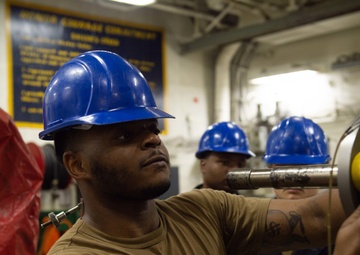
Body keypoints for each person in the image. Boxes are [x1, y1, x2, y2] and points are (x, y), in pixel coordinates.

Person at [40, 50, 347, 255]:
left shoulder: (205, 212)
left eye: (153, 128)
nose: (152, 140)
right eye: (125, 134)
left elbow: (318, 216)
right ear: (77, 164)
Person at [262, 116, 332, 254]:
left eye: (303, 168)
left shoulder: (335, 226)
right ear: (267, 172)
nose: (292, 179)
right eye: (283, 168)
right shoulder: (252, 224)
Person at [194, 121, 255, 194]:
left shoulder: (247, 205)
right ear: (203, 165)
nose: (235, 171)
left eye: (240, 164)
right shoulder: (186, 204)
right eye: (225, 162)